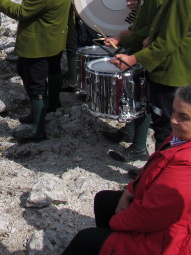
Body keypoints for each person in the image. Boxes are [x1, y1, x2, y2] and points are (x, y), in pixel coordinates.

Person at [61, 85, 191, 255]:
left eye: (183, 117)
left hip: (168, 240)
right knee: (103, 200)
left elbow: (152, 214)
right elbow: (153, 168)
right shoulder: (180, 137)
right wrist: (130, 190)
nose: (173, 119)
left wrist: (118, 223)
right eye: (173, 111)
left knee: (85, 240)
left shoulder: (186, 164)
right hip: (158, 215)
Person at [112, 0, 191, 149]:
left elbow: (170, 38)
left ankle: (161, 173)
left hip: (170, 68)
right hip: (169, 62)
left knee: (166, 124)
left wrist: (135, 58)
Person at [0, 0, 72, 142]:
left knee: (34, 82)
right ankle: (51, 106)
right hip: (54, 40)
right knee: (53, 71)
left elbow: (21, 12)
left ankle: (38, 127)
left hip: (38, 43)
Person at [103, 0, 173, 160]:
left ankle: (139, 146)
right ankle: (131, 132)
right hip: (138, 41)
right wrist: (127, 34)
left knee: (143, 98)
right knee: (140, 96)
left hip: (146, 49)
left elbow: (151, 26)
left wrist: (127, 41)